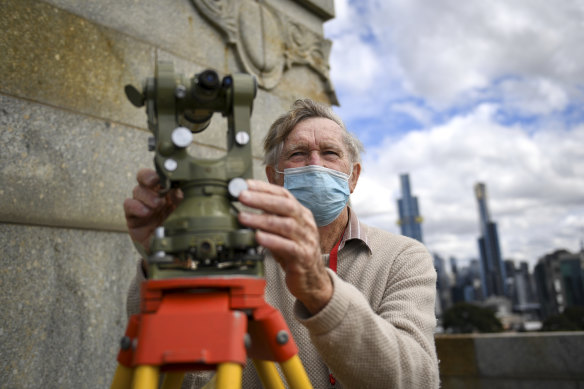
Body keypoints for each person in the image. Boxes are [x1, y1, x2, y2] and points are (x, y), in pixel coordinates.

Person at [124, 99, 440, 388]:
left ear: (353, 176)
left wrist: (319, 289)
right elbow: (182, 369)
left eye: (330, 153)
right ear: (273, 177)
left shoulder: (403, 257)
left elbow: (416, 379)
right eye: (298, 154)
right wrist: (168, 260)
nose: (315, 165)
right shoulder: (233, 253)